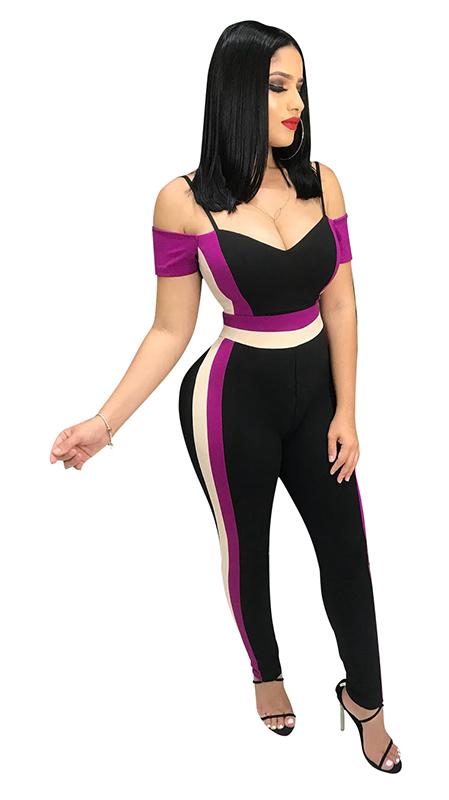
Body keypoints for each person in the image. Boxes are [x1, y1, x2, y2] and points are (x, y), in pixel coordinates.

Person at [49, 20, 401, 774]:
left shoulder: (323, 182)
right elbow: (169, 329)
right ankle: (266, 671)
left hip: (317, 399)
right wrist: (104, 424)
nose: (297, 103)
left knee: (348, 554)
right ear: (236, 91)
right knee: (248, 549)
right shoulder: (182, 202)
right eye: (278, 86)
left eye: (301, 86)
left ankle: (366, 701)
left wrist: (347, 409)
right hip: (229, 401)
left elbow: (341, 303)